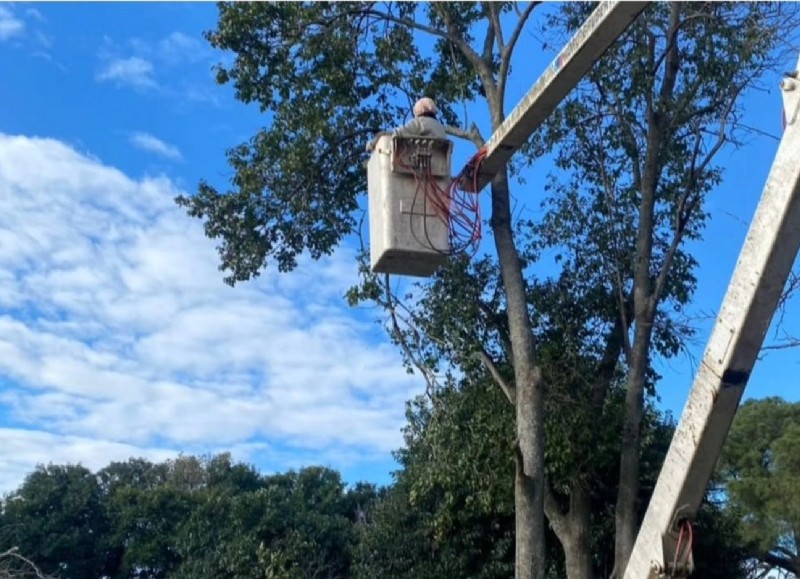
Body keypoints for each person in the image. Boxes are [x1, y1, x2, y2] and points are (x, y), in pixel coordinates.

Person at [366, 97, 448, 152]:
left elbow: (398, 133)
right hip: (440, 169)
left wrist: (380, 135)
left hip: (420, 165)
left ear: (420, 110)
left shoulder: (420, 122)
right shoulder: (441, 128)